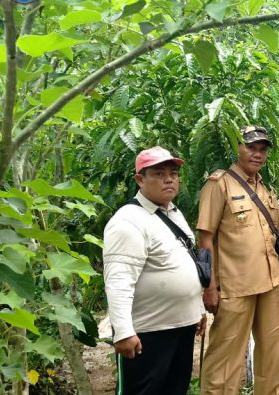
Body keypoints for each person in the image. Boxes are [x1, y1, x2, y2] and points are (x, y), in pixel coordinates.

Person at [197, 126, 279, 395]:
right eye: (251, 147)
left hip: (271, 283)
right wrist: (209, 286)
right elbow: (205, 239)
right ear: (237, 148)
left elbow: (277, 239)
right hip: (235, 288)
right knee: (225, 359)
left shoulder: (266, 188)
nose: (257, 154)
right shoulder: (219, 184)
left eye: (263, 149)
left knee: (272, 357)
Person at [104, 146, 206, 394]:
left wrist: (197, 310)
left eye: (173, 173)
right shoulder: (128, 221)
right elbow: (118, 281)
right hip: (148, 333)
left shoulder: (173, 212)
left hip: (181, 328)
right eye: (159, 173)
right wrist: (124, 332)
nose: (169, 179)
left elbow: (186, 262)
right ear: (140, 179)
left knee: (175, 389)